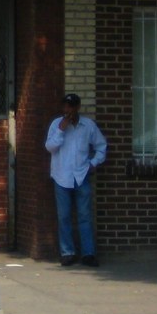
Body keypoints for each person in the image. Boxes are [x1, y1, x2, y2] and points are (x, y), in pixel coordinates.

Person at [45, 93, 108, 267]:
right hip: (61, 176)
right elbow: (50, 147)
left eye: (71, 106)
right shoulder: (56, 124)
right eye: (66, 106)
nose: (68, 110)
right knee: (64, 216)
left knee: (84, 216)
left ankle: (88, 253)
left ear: (78, 107)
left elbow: (101, 146)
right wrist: (61, 129)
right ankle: (67, 252)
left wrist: (94, 163)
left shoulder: (88, 126)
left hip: (81, 176)